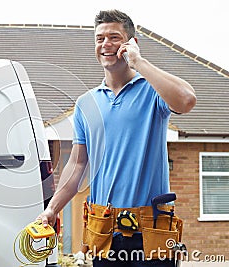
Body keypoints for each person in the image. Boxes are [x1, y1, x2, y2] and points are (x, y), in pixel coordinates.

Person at [37, 9, 196, 267]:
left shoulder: (153, 92)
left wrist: (139, 62)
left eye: (114, 37)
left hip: (151, 231)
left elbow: (187, 99)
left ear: (131, 43)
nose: (106, 44)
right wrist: (52, 208)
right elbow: (77, 166)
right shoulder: (85, 104)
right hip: (104, 231)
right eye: (100, 39)